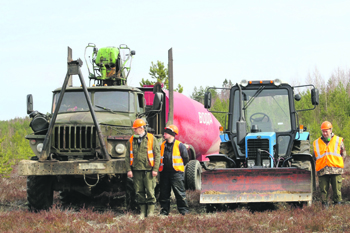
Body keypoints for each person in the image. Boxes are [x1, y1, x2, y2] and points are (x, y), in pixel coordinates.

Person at [125, 119, 160, 218]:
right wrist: (129, 170)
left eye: (135, 129)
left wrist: (155, 169)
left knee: (150, 190)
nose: (134, 131)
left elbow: (157, 155)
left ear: (141, 128)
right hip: (136, 170)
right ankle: (142, 212)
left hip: (149, 170)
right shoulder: (131, 140)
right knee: (139, 191)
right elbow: (127, 156)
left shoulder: (152, 138)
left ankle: (150, 212)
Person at [313, 121, 346, 207]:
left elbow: (343, 155)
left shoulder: (338, 140)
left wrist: (337, 163)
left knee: (337, 191)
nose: (324, 133)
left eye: (326, 131)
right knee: (323, 191)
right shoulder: (316, 143)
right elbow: (314, 157)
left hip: (336, 170)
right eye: (323, 131)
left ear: (331, 130)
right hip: (322, 170)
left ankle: (338, 207)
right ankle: (325, 208)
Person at [159, 125, 190, 216]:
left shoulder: (179, 145)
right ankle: (164, 211)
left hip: (176, 173)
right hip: (164, 173)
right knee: (164, 194)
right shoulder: (162, 145)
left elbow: (186, 158)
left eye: (165, 133)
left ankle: (184, 211)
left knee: (180, 193)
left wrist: (179, 169)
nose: (164, 135)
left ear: (171, 134)